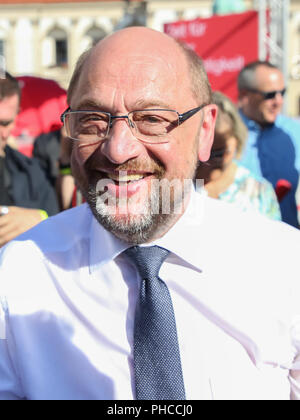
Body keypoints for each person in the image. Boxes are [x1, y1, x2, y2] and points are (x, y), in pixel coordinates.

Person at [0, 27, 300, 401]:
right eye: (93, 118)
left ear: (205, 132)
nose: (118, 149)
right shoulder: (19, 275)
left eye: (152, 119)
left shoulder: (286, 265)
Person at [196, 91, 281, 220]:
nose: (208, 161)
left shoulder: (258, 191)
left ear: (237, 139)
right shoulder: (173, 187)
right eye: (200, 152)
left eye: (219, 153)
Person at [237, 60, 300, 228]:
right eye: (269, 95)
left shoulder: (294, 131)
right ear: (245, 96)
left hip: (288, 242)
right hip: (239, 242)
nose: (279, 101)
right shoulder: (225, 133)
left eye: (282, 93)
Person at [0, 72, 59, 247]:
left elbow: (58, 222)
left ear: (18, 113)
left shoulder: (29, 168)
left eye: (7, 123)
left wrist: (38, 218)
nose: (3, 133)